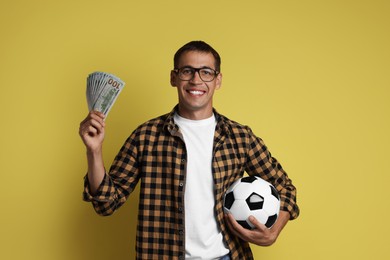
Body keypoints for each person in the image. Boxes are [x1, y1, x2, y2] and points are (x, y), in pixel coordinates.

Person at [79, 41, 299, 259]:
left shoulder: (240, 137)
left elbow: (285, 188)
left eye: (206, 72)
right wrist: (94, 151)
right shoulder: (145, 136)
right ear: (174, 78)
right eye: (187, 71)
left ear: (218, 80)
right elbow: (106, 203)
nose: (196, 80)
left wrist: (273, 231)